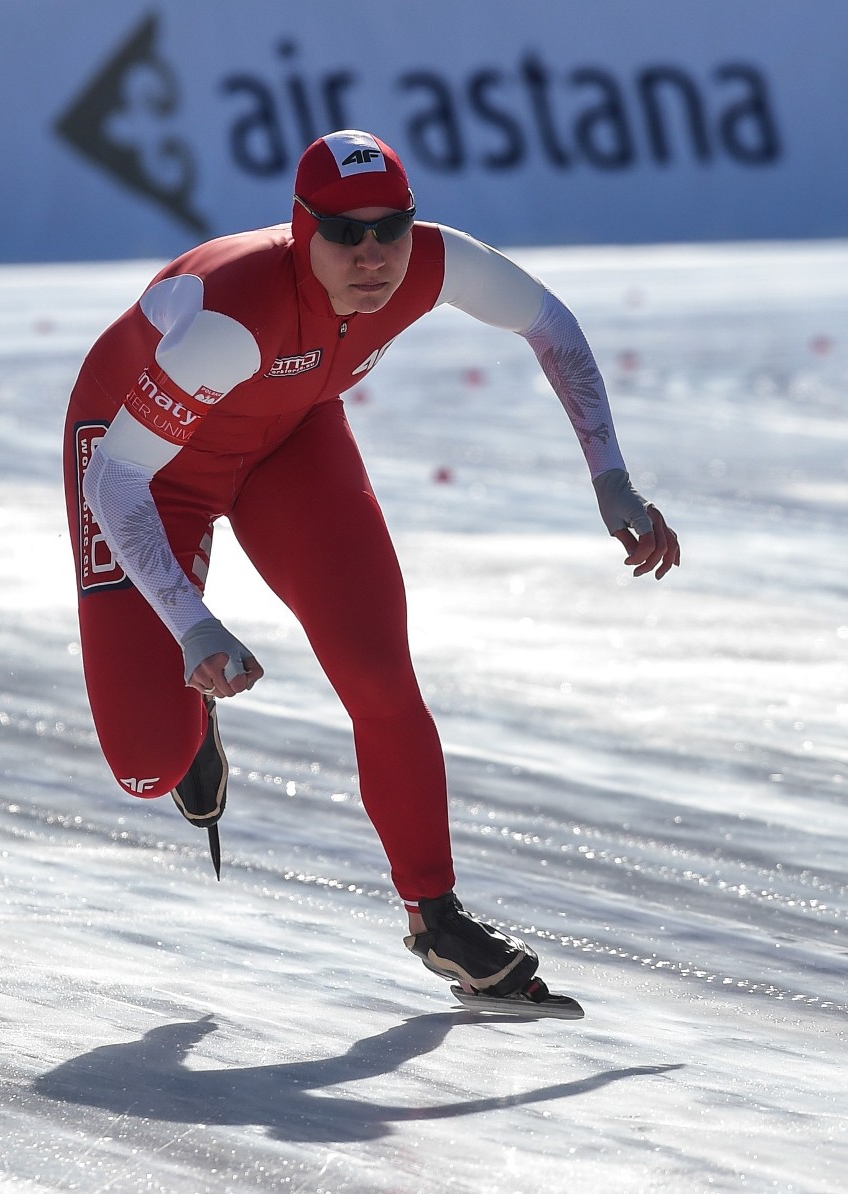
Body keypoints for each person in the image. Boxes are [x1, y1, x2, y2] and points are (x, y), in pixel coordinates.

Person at [63, 129, 679, 1005]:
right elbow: (117, 481)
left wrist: (611, 477)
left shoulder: (435, 264)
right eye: (344, 234)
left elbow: (555, 327)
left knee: (379, 671)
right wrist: (194, 626)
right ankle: (188, 717)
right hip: (148, 466)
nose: (371, 255)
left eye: (390, 228)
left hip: (291, 437)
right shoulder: (233, 323)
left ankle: (438, 917)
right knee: (147, 765)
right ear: (300, 227)